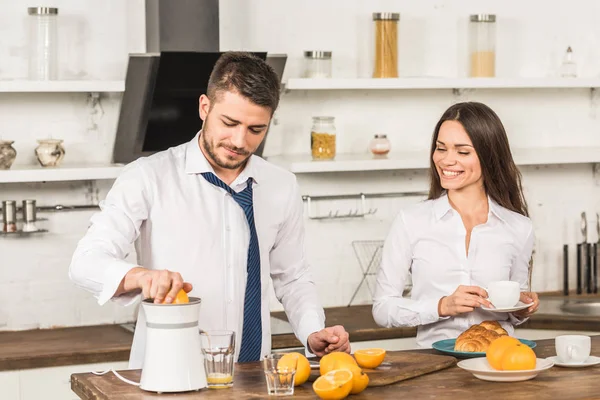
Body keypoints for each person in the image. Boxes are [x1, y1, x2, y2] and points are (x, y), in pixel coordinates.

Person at [69, 52, 350, 368]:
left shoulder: (280, 186)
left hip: (253, 377)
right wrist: (140, 276)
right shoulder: (147, 177)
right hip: (169, 373)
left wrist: (312, 331)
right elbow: (85, 262)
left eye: (256, 129)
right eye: (229, 123)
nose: (239, 141)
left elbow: (293, 277)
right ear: (205, 107)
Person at [372, 101, 540, 348]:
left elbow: (512, 311)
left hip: (498, 357)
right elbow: (382, 308)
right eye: (441, 149)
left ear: (489, 156)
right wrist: (441, 306)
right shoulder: (412, 221)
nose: (447, 160)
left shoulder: (519, 227)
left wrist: (522, 308)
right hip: (436, 365)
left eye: (462, 152)